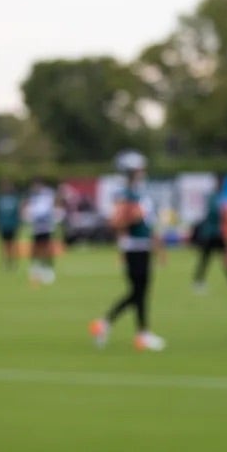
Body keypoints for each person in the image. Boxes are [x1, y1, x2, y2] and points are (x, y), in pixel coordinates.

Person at [89, 150, 166, 351]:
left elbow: (149, 223)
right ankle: (108, 324)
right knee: (138, 292)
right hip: (134, 247)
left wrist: (158, 246)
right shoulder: (125, 194)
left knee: (140, 292)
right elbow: (116, 222)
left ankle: (139, 332)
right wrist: (133, 217)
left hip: (143, 246)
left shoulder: (138, 192)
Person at [192, 172, 227, 293]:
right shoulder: (212, 197)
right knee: (205, 258)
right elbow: (214, 213)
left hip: (219, 234)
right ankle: (198, 281)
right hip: (211, 234)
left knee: (225, 257)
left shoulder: (222, 197)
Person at [24, 177, 60, 285]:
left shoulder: (47, 195)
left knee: (46, 247)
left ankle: (48, 267)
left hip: (46, 226)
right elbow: (28, 209)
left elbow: (51, 207)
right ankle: (36, 266)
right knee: (36, 247)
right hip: (35, 227)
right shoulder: (32, 195)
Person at [0, 179, 23, 271]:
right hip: (2, 225)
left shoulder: (15, 198)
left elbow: (19, 213)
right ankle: (5, 262)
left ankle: (13, 263)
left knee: (13, 245)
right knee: (3, 245)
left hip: (13, 225)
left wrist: (19, 224)